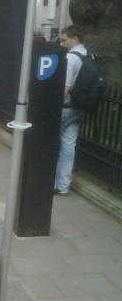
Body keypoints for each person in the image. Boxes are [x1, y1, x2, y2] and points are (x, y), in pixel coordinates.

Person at [54, 25, 88, 195]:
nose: (61, 42)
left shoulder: (71, 58)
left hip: (65, 107)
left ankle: (53, 182)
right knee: (69, 145)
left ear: (75, 38)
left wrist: (54, 106)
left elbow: (65, 87)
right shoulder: (88, 55)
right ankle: (63, 185)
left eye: (64, 39)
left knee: (53, 143)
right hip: (78, 107)